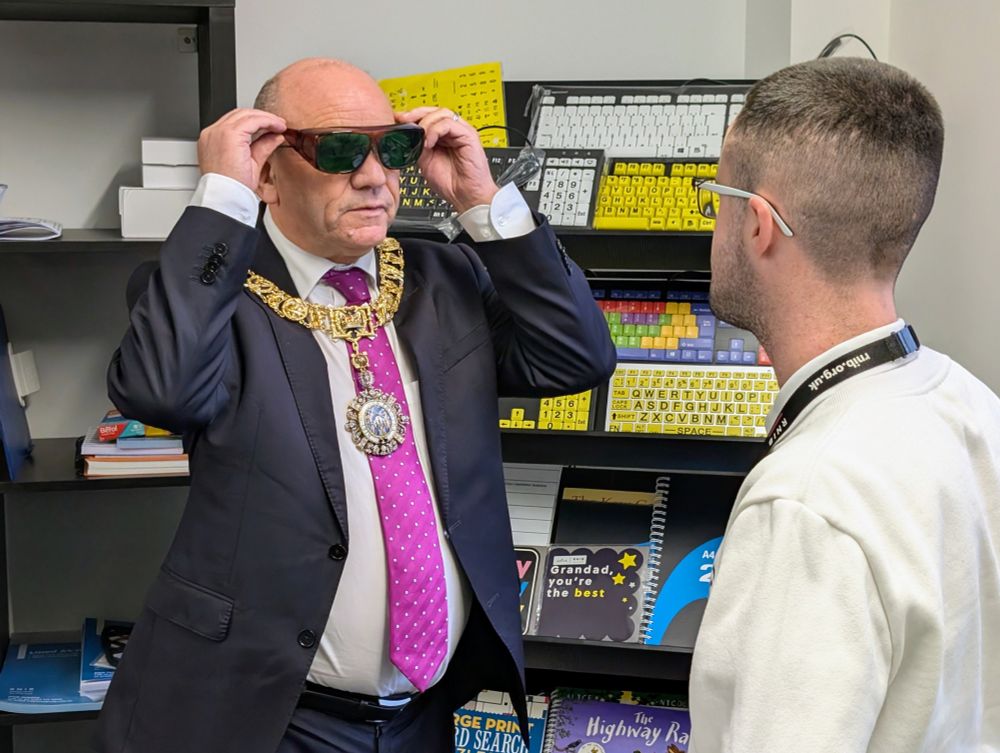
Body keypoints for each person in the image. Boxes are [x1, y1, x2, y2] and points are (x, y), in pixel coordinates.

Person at [94, 57, 616, 753]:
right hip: (265, 718)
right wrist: (221, 196)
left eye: (391, 149)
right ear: (270, 172)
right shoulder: (213, 298)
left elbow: (576, 356)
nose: (374, 177)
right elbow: (160, 387)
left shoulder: (445, 277)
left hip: (422, 715)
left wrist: (483, 204)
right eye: (341, 151)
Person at [687, 57, 1000, 752]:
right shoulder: (974, 407)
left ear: (760, 224)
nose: (717, 223)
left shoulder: (806, 500)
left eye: (718, 198)